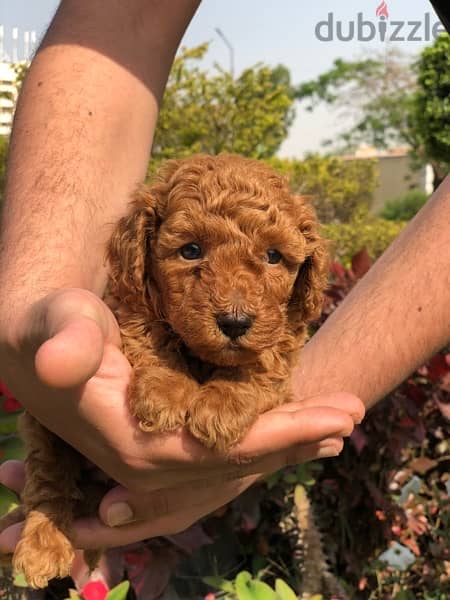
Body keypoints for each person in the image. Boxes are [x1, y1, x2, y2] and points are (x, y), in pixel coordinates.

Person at [0, 0, 447, 553]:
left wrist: (263, 416)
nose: (234, 306)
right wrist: (30, 299)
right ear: (140, 254)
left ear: (308, 274)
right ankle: (50, 504)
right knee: (50, 442)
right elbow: (122, 18)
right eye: (189, 251)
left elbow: (276, 366)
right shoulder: (137, 294)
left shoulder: (279, 323)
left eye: (276, 259)